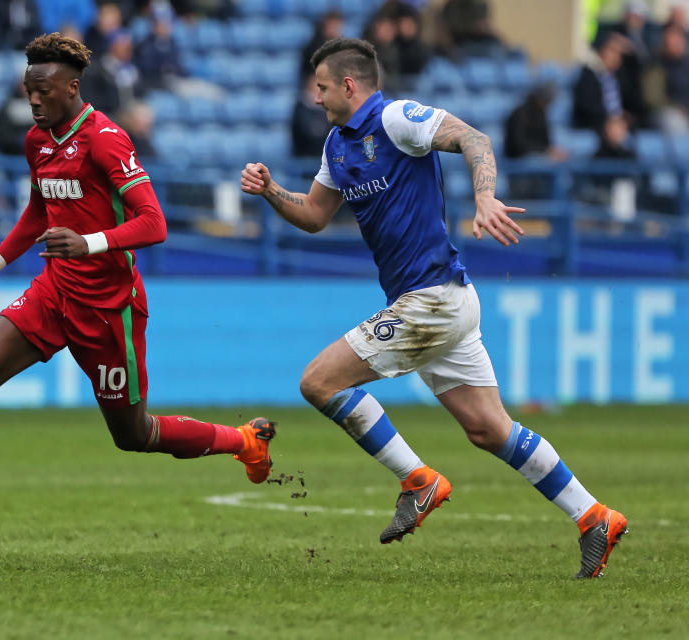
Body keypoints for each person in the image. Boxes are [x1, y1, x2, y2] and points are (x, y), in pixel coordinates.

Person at [240, 38, 627, 579]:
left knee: (319, 383)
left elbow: (473, 137)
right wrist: (271, 191)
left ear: (349, 85)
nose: (317, 96)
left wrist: (485, 197)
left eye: (323, 87)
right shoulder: (336, 145)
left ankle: (417, 480)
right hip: (435, 301)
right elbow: (314, 216)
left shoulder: (397, 118)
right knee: (490, 430)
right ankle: (594, 516)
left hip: (433, 300)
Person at [0, 33, 274, 547]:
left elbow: (154, 223)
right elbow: (37, 213)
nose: (33, 100)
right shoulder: (36, 142)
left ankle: (244, 441)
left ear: (72, 87)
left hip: (109, 310)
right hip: (53, 294)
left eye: (43, 91)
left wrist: (88, 243)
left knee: (133, 436)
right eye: (28, 90)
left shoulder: (106, 139)